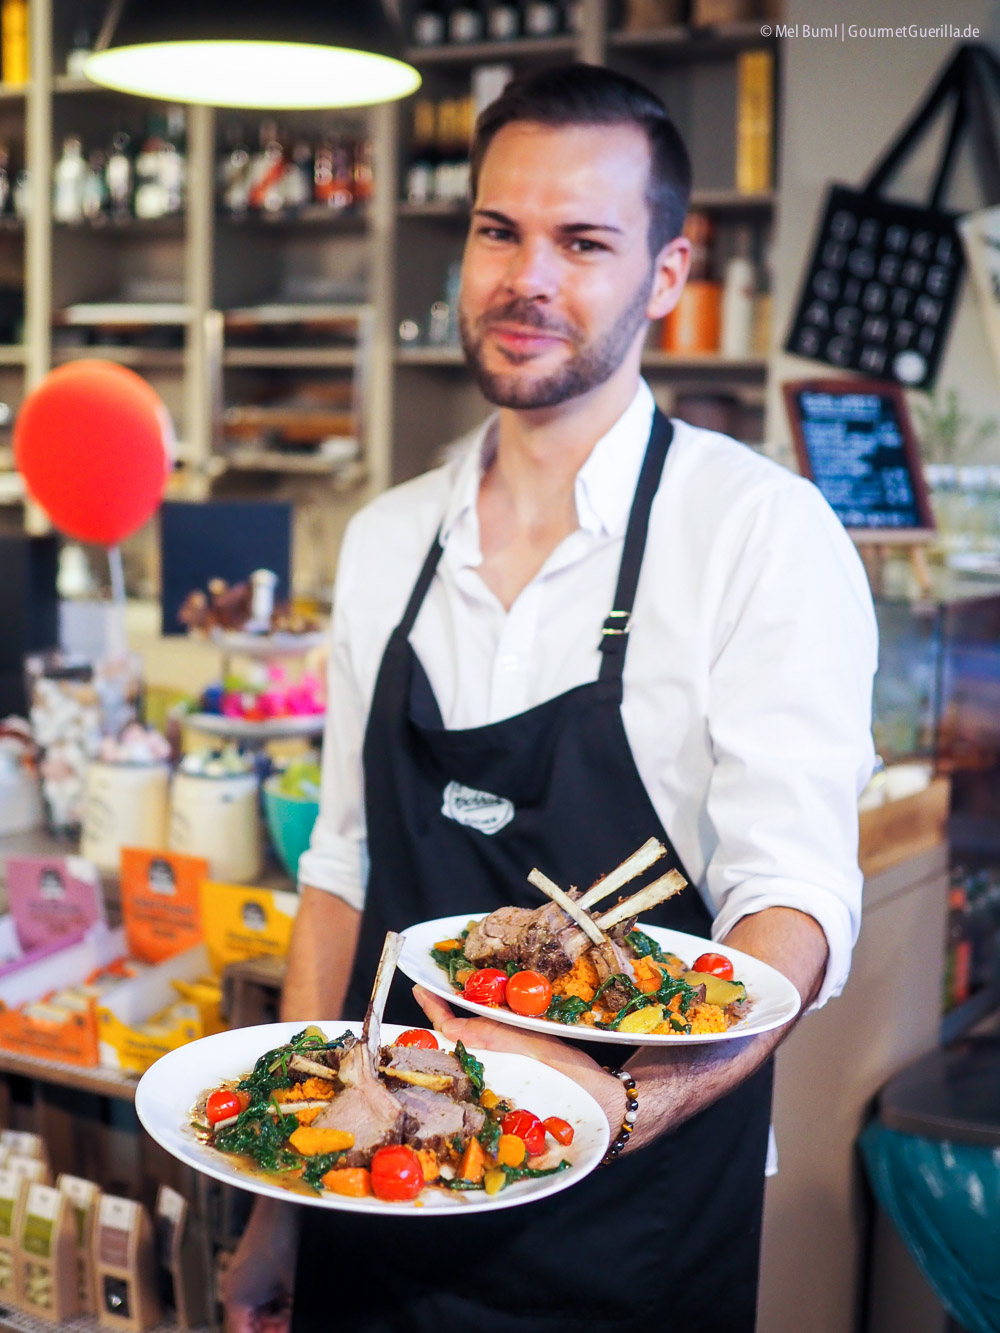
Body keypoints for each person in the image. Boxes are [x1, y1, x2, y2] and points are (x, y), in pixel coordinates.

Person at [225, 62, 877, 1333]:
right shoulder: (384, 539)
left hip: (627, 1232)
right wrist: (280, 1199)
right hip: (377, 1186)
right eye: (497, 230)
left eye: (583, 241)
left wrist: (620, 1103)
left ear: (668, 275)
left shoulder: (757, 533)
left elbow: (793, 905)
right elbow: (342, 870)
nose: (528, 278)